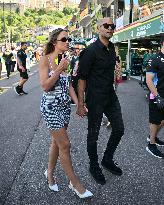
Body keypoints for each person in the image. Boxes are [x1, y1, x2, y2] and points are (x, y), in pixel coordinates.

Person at [39, 28, 93, 198]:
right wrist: (58, 69)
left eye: (68, 39)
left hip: (64, 108)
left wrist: (79, 104)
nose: (68, 42)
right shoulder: (45, 60)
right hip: (50, 109)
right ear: (54, 42)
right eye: (64, 39)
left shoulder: (65, 60)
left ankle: (49, 173)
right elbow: (45, 86)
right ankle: (75, 184)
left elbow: (68, 85)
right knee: (65, 145)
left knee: (56, 143)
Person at [77, 17, 124, 185]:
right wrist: (80, 104)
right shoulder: (90, 51)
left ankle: (107, 159)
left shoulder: (112, 48)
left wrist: (117, 74)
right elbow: (81, 79)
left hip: (110, 96)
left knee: (119, 129)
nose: (110, 28)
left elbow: (111, 71)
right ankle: (94, 165)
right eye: (106, 25)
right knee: (93, 135)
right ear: (98, 28)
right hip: (95, 99)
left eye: (112, 26)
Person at [146, 35, 164, 158]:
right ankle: (151, 145)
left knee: (162, 120)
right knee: (155, 120)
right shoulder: (155, 59)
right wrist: (157, 96)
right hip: (156, 96)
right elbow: (149, 80)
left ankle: (152, 137)